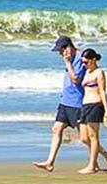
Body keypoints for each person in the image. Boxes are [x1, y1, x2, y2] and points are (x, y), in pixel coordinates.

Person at [33, 35, 94, 172]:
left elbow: (76, 79)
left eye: (61, 51)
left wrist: (67, 63)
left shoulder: (79, 59)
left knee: (85, 138)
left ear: (68, 48)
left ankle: (101, 158)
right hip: (65, 102)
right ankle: (50, 162)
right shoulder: (71, 58)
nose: (61, 54)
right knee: (56, 129)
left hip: (77, 104)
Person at [77, 49, 107, 173]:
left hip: (95, 104)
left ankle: (92, 165)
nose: (84, 64)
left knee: (93, 136)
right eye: (83, 62)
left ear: (93, 60)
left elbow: (103, 91)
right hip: (85, 105)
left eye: (86, 62)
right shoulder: (87, 72)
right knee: (84, 138)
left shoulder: (99, 72)